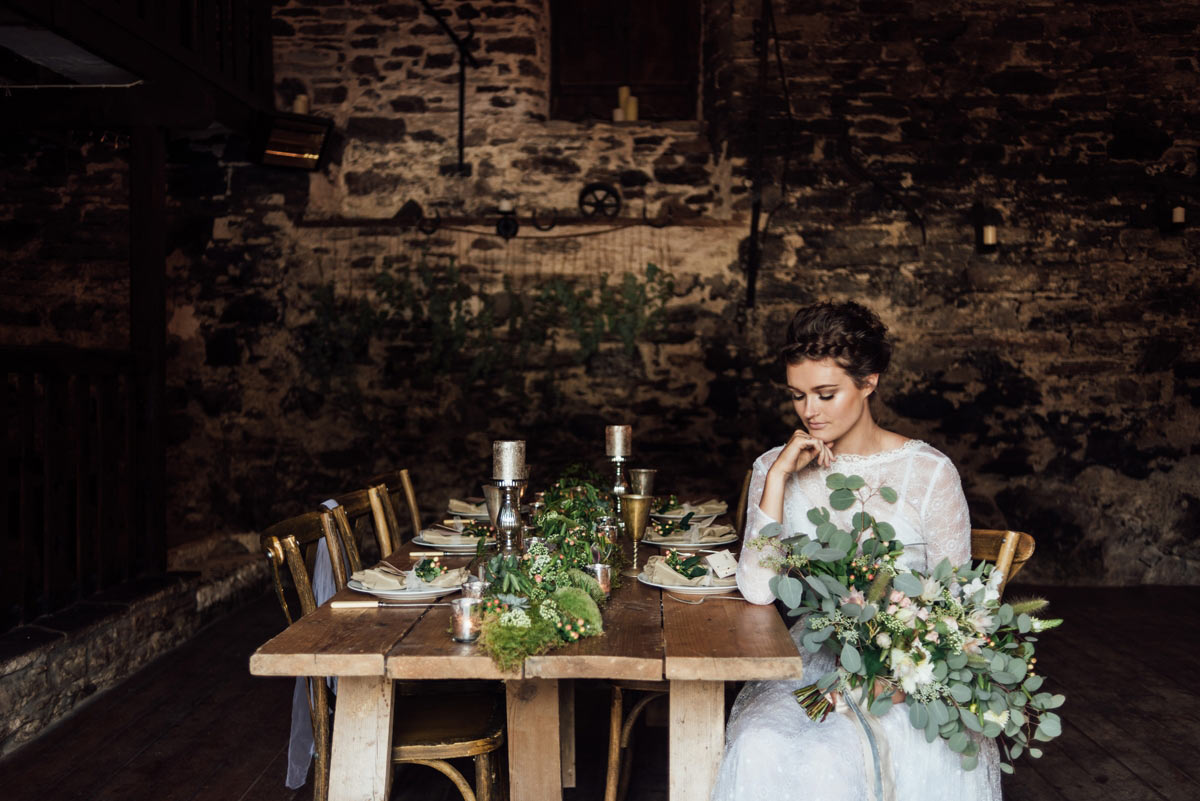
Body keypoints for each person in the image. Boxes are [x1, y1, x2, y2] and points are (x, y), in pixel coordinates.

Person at [711, 301, 1001, 801]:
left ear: (869, 382)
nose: (809, 411)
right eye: (798, 396)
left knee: (831, 755)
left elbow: (961, 608)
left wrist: (898, 669)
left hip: (907, 669)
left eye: (826, 394)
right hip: (811, 658)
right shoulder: (774, 468)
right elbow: (758, 589)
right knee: (759, 743)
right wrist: (779, 477)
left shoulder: (927, 473)